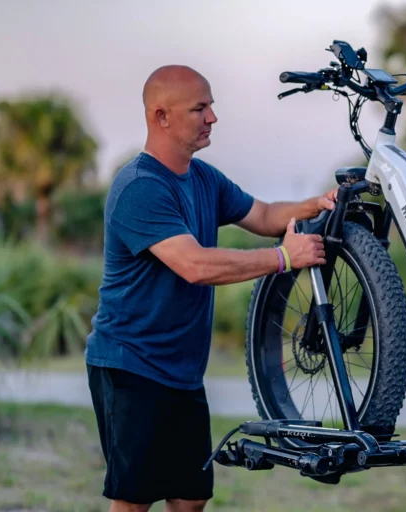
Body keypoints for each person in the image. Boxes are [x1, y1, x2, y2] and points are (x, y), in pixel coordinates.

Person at [84, 64, 336, 512]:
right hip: (130, 366)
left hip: (182, 371)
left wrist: (315, 203)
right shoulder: (138, 188)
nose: (213, 117)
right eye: (200, 108)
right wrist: (283, 258)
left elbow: (262, 216)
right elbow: (195, 265)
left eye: (212, 106)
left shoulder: (204, 179)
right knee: (133, 502)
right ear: (161, 116)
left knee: (191, 499)